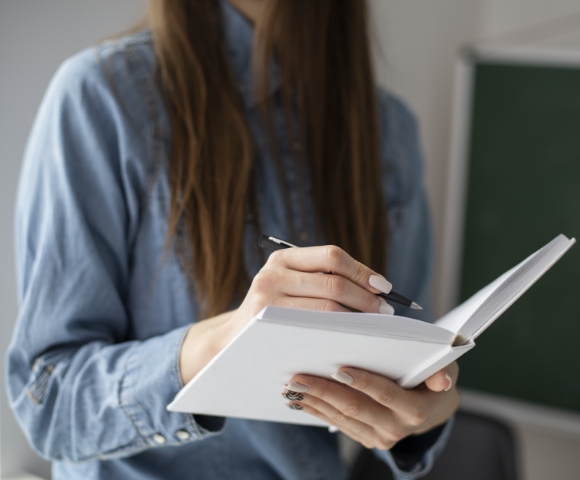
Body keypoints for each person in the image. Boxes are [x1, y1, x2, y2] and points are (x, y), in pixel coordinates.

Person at [7, 0, 460, 479]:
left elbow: (410, 360)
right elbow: (47, 402)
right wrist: (223, 341)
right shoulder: (104, 97)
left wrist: (427, 414)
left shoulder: (388, 131)